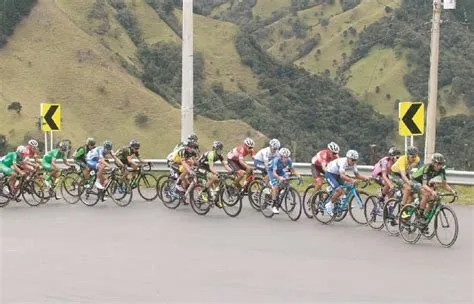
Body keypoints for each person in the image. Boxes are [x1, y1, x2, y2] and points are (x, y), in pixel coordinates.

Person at [410, 153, 456, 225]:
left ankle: (424, 219)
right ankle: (420, 216)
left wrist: (452, 191)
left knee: (433, 198)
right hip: (415, 181)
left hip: (425, 181)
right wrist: (432, 191)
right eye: (439, 164)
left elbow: (444, 184)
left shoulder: (442, 170)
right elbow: (424, 185)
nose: (440, 166)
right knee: (427, 194)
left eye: (442, 164)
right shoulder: (427, 168)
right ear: (434, 163)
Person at [324, 150, 370, 216]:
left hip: (337, 174)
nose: (354, 162)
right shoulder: (343, 162)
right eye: (353, 160)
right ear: (348, 158)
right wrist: (351, 180)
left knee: (349, 184)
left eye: (355, 160)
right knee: (339, 190)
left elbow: (357, 175)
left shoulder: (353, 164)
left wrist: (365, 178)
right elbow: (342, 175)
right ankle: (329, 205)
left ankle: (343, 200)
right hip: (330, 174)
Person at [196, 141, 232, 206]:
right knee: (213, 177)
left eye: (221, 149)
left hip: (207, 168)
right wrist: (216, 173)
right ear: (215, 149)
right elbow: (211, 168)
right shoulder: (211, 154)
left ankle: (215, 198)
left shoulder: (220, 155)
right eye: (218, 149)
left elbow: (225, 165)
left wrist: (232, 171)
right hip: (201, 167)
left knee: (218, 180)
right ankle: (203, 193)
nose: (220, 150)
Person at [267, 147, 302, 214]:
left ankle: (282, 190)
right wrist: (279, 177)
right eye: (285, 157)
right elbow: (274, 173)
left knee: (287, 179)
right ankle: (274, 205)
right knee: (275, 187)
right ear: (280, 156)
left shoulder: (289, 160)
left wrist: (298, 175)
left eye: (287, 157)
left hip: (280, 171)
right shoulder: (276, 160)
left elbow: (293, 170)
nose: (286, 159)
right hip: (272, 171)